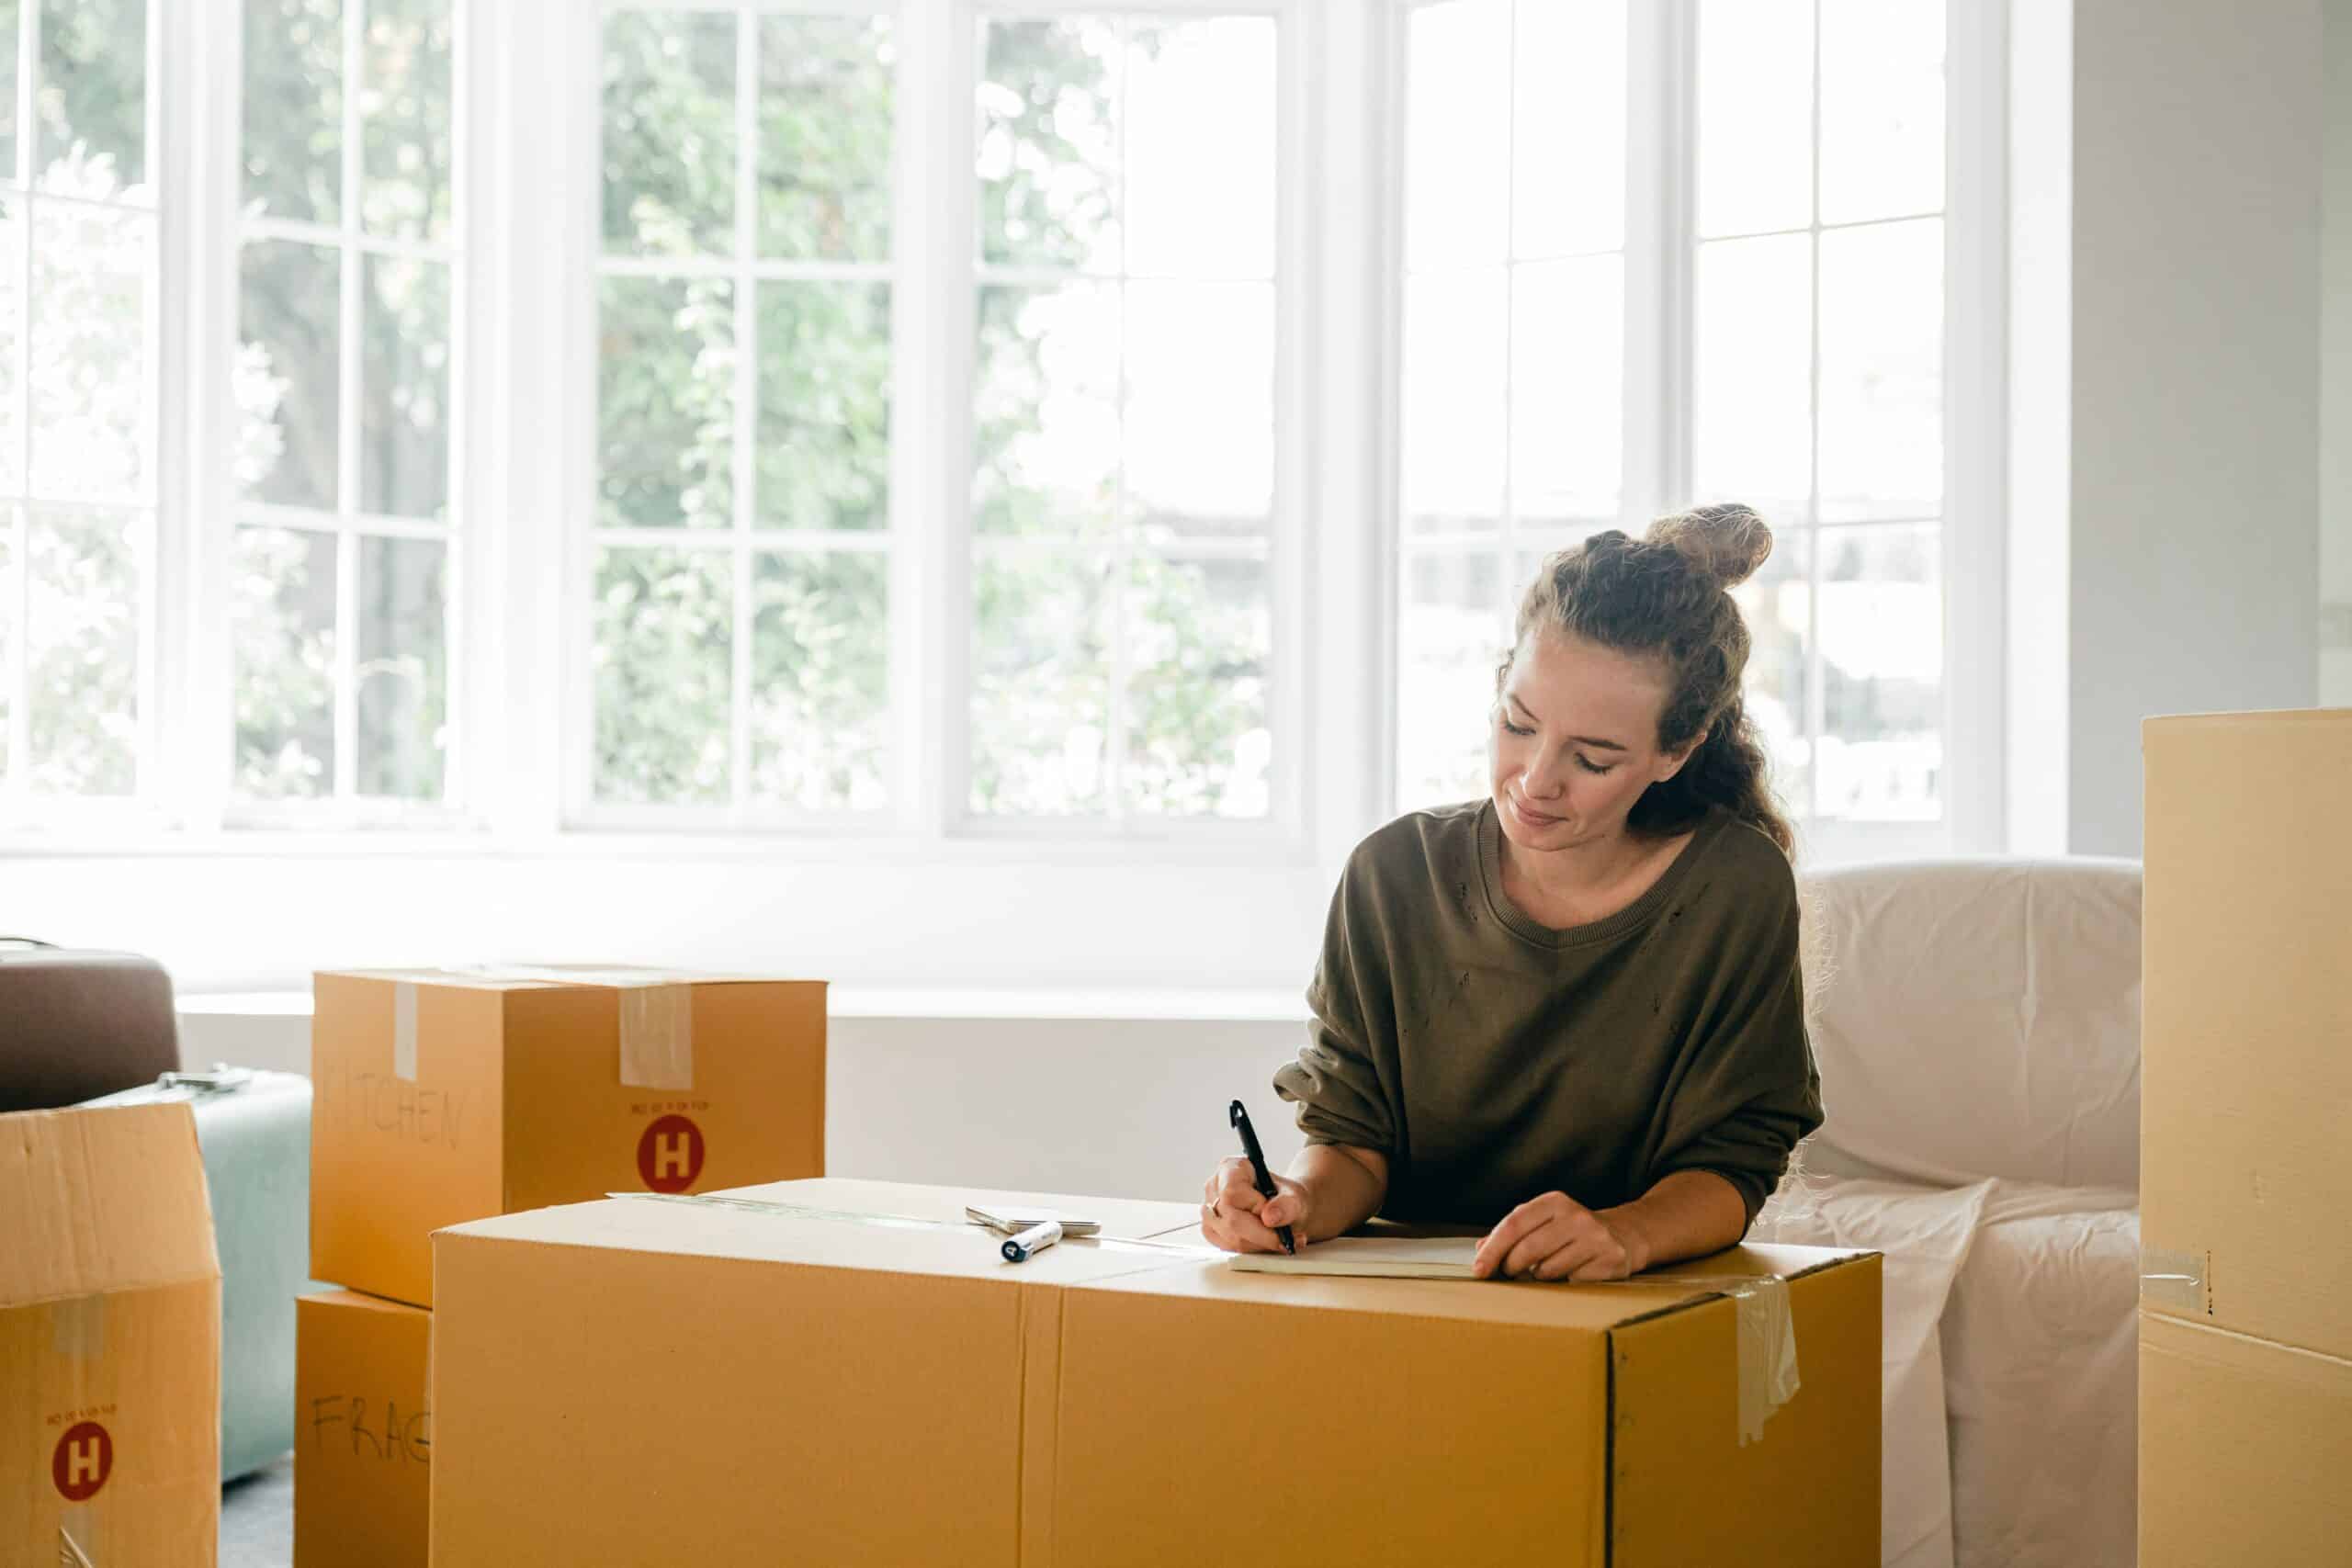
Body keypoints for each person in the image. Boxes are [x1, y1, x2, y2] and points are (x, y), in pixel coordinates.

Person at [1201, 503, 1823, 1281]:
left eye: (1592, 761)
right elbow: (1353, 1142)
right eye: (1518, 724)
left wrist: (1624, 1233)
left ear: (1677, 750)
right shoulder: (1391, 875)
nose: (1535, 782)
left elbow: (1735, 1160)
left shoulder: (1735, 888)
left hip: (1628, 1301)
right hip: (1409, 1306)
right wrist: (1291, 1199)